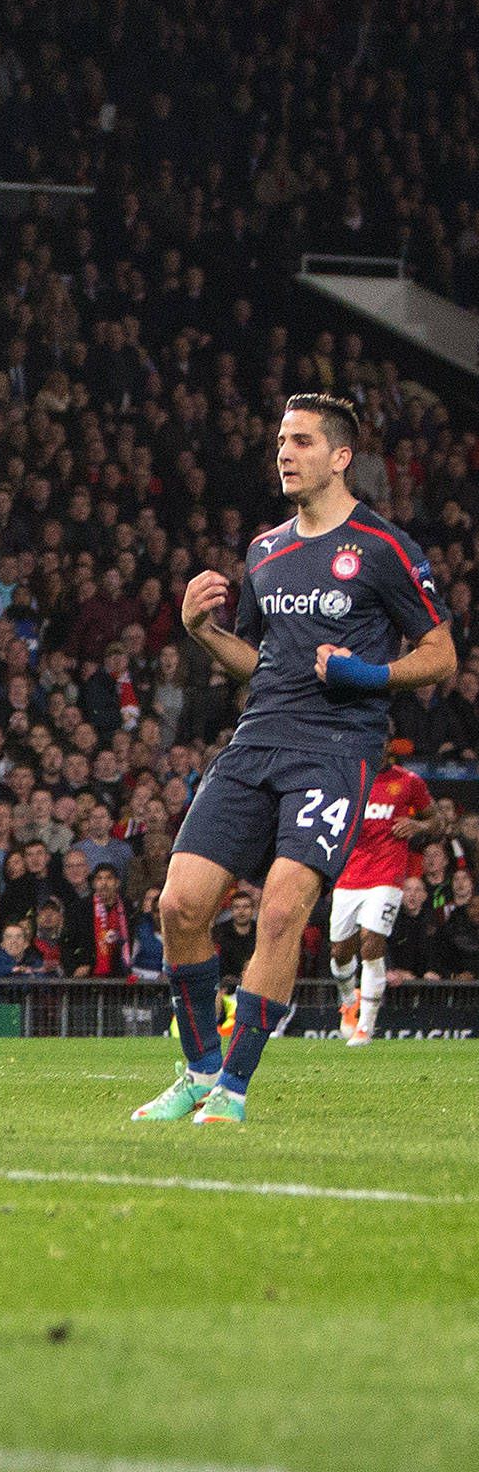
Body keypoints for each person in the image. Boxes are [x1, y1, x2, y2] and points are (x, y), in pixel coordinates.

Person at [139, 396, 458, 1121]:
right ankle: (197, 1070)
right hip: (257, 740)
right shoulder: (264, 551)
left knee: (281, 913)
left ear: (341, 456)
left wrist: (369, 675)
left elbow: (442, 655)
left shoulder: (384, 547)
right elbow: (258, 662)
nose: (285, 452)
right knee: (179, 904)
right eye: (281, 439)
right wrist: (200, 630)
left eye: (302, 441)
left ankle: (233, 1089)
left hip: (336, 750)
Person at [327, 741, 436, 1046]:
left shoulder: (408, 781)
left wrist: (417, 824)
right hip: (349, 876)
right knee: (339, 951)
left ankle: (366, 1025)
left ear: (389, 746)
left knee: (372, 941)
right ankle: (349, 1001)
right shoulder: (350, 778)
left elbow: (436, 819)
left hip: (387, 875)